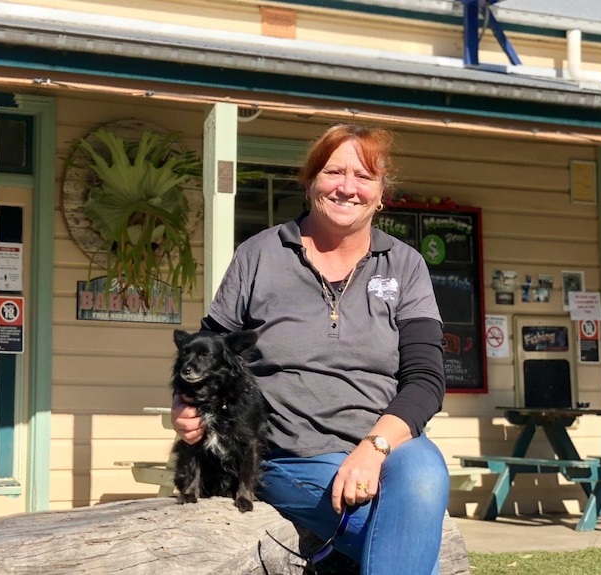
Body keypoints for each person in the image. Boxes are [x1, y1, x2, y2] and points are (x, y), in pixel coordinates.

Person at [171, 123, 449, 574]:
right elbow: (207, 346)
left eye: (363, 176)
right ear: (310, 182)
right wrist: (183, 406)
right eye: (334, 172)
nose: (347, 187)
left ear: (382, 194)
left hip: (389, 445)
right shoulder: (259, 254)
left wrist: (372, 449)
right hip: (290, 453)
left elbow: (427, 378)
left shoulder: (405, 265)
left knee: (424, 473)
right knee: (407, 545)